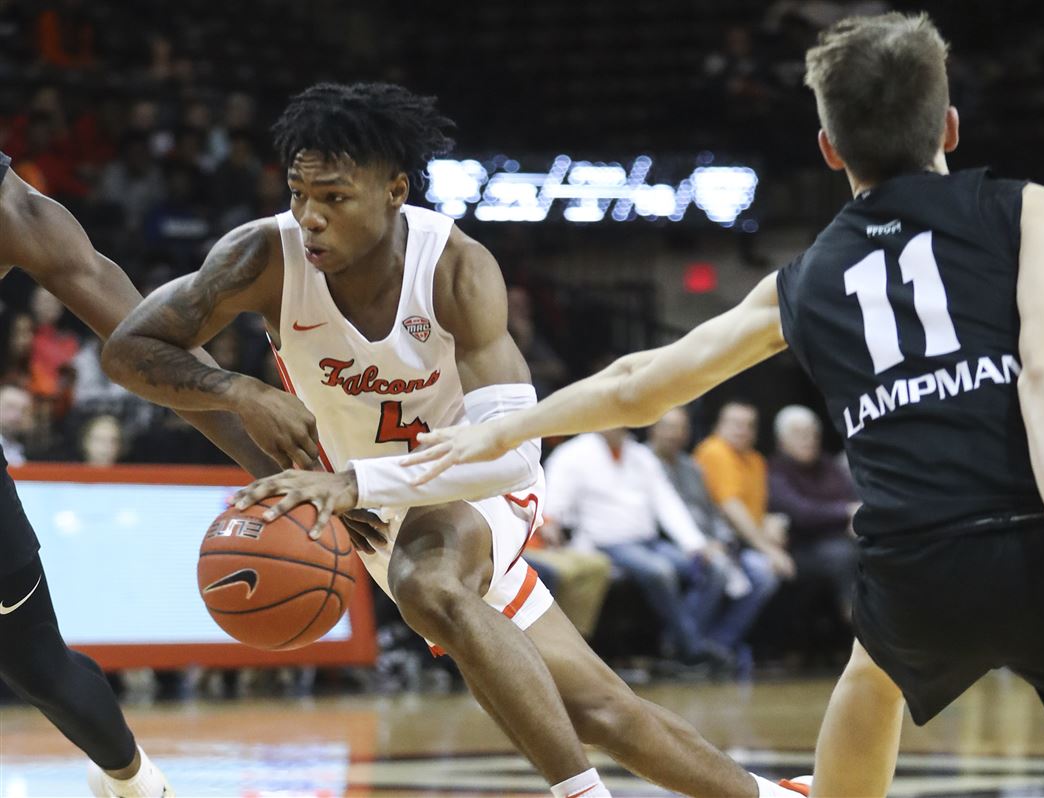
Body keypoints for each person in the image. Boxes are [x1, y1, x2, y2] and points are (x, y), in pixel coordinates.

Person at [402, 13, 1044, 794]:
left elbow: (639, 384)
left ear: (828, 149)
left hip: (918, 564)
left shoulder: (805, 279)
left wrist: (508, 427)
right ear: (949, 127)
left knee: (872, 676)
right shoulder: (1039, 211)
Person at [102, 82, 806, 798]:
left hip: (478, 485)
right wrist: (239, 390)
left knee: (429, 580)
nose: (310, 218)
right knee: (595, 708)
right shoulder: (263, 256)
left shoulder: (456, 269)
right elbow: (129, 350)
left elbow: (512, 454)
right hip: (369, 511)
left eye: (334, 198)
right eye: (298, 193)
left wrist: (355, 483)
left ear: (394, 190)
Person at [0, 149, 280, 797]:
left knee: (38, 665)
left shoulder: (14, 212)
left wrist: (265, 460)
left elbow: (144, 340)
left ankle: (133, 781)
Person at [543, 427, 728, 667]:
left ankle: (677, 644)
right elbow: (555, 501)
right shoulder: (572, 453)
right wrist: (551, 522)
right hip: (605, 543)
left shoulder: (641, 455)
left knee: (713, 569)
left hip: (648, 541)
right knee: (660, 571)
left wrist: (694, 544)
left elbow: (667, 502)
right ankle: (692, 649)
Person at [649, 407, 779, 669]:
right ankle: (681, 646)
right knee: (715, 567)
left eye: (681, 428)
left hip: (709, 542)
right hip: (665, 542)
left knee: (763, 574)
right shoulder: (643, 461)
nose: (675, 434)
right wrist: (699, 545)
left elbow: (712, 511)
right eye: (668, 427)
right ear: (653, 428)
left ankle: (716, 645)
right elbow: (656, 518)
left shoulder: (691, 466)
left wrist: (723, 539)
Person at [767, 405, 858, 620]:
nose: (808, 439)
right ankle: (856, 624)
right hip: (801, 547)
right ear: (781, 441)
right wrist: (845, 513)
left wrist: (853, 516)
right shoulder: (775, 470)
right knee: (842, 555)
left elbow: (852, 499)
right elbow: (801, 513)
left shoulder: (828, 465)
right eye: (799, 434)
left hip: (841, 538)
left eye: (812, 433)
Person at [692, 401, 796, 579]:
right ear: (718, 426)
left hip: (744, 537)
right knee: (765, 572)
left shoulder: (756, 459)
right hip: (714, 537)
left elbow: (755, 507)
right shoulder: (714, 450)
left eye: (749, 425)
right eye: (735, 424)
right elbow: (731, 508)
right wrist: (768, 549)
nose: (742, 430)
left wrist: (768, 522)